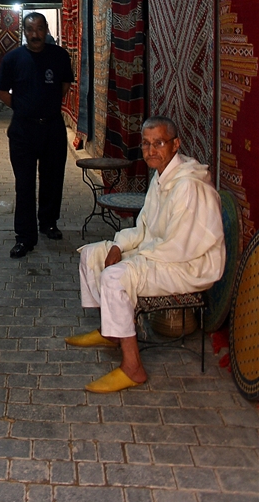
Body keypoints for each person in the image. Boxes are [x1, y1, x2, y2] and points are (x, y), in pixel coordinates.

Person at [66, 116, 225, 393]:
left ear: (175, 144)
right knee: (92, 254)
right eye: (147, 144)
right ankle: (111, 332)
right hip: (162, 255)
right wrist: (118, 245)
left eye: (159, 143)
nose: (151, 150)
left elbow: (180, 246)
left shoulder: (187, 185)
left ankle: (133, 368)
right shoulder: (161, 176)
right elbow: (144, 227)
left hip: (188, 265)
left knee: (116, 277)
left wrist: (134, 259)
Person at [0, 12, 74, 257]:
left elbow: (64, 86)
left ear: (46, 29)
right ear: (24, 32)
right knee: (25, 184)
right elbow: (1, 92)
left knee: (52, 180)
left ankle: (49, 223)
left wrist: (45, 105)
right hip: (23, 130)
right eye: (30, 29)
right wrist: (23, 108)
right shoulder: (12, 59)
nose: (35, 34)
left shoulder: (59, 56)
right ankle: (24, 237)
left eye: (39, 29)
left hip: (52, 128)